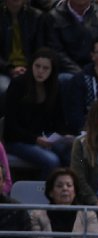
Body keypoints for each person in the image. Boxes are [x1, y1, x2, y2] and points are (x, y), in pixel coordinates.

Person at [4, 48, 73, 178]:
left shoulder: (54, 87)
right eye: (37, 66)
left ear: (52, 70)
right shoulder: (18, 84)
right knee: (51, 161)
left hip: (43, 137)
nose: (40, 71)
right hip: (18, 141)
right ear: (31, 66)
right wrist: (35, 139)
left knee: (70, 154)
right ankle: (46, 190)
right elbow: (11, 126)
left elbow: (59, 120)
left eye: (45, 68)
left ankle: (69, 187)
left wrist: (65, 135)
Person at [41, 0, 98, 78]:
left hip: (97, 69)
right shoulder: (53, 17)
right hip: (67, 71)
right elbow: (56, 51)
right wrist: (81, 74)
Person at [0, 0, 42, 104]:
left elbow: (41, 49)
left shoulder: (36, 16)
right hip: (3, 70)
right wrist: (10, 69)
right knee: (5, 89)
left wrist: (30, 68)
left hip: (31, 69)